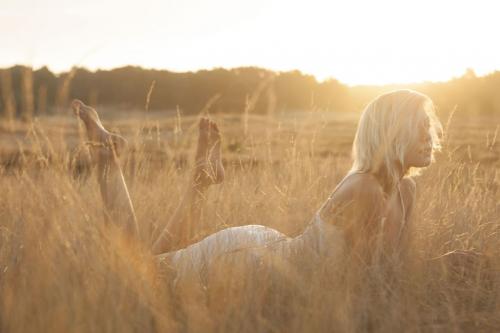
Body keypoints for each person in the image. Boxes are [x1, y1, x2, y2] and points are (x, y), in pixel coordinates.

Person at [71, 88, 442, 299]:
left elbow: (398, 272)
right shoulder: (365, 188)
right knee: (137, 273)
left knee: (149, 265)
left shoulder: (406, 191)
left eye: (430, 127)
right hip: (253, 261)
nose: (430, 136)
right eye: (419, 127)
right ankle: (109, 160)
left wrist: (447, 262)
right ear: (392, 132)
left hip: (269, 253)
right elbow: (364, 284)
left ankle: (195, 180)